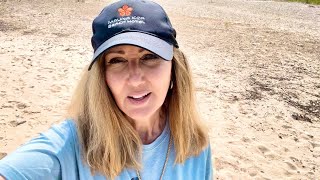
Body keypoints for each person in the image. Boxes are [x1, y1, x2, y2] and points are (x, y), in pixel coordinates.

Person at [0, 0, 213, 179]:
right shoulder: (73, 145)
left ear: (175, 67)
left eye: (149, 56)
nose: (135, 78)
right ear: (102, 76)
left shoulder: (194, 143)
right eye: (117, 60)